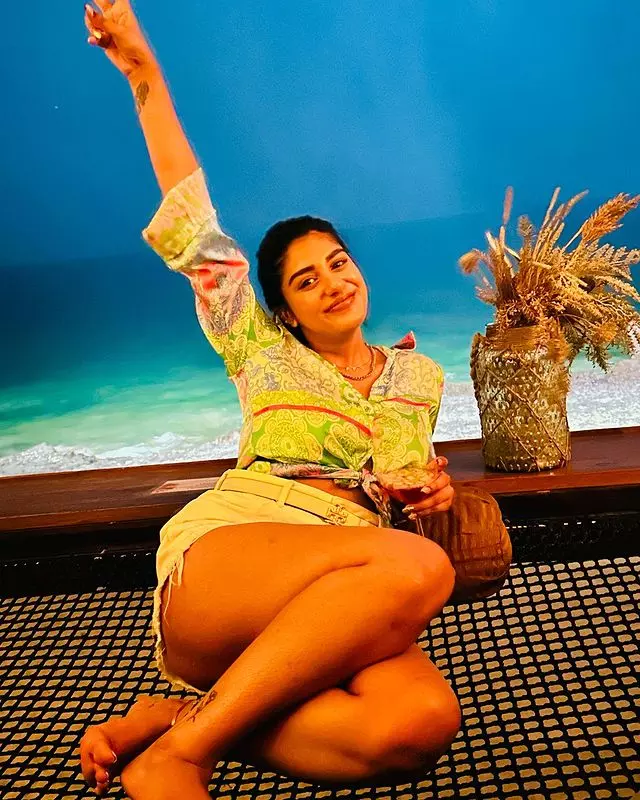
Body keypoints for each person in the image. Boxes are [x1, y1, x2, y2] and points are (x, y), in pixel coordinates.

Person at [78, 3, 510, 798]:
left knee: (418, 723)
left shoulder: (419, 377)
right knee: (419, 569)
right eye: (307, 280)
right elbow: (193, 223)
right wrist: (143, 72)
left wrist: (433, 498)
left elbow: (404, 493)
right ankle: (181, 757)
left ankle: (176, 723)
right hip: (236, 559)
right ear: (285, 311)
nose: (333, 282)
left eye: (339, 262)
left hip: (349, 576)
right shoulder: (259, 347)